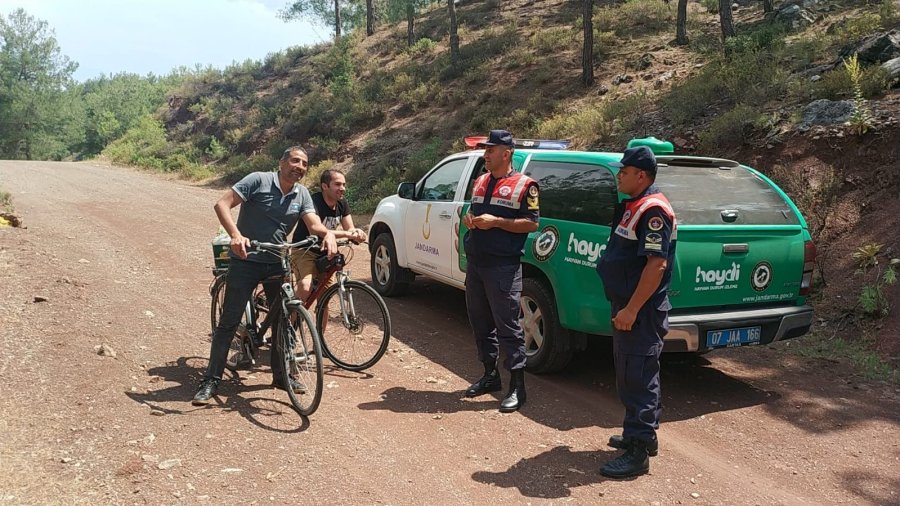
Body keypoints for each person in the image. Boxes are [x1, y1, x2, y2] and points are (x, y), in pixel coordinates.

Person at [193, 146, 337, 406]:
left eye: (304, 163)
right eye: (295, 160)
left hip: (276, 262)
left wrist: (326, 234)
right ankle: (211, 380)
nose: (300, 166)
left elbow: (313, 223)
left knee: (283, 318)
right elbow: (222, 204)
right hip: (246, 260)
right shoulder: (257, 180)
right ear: (281, 162)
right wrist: (236, 235)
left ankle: (281, 377)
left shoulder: (302, 193)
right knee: (229, 321)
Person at [595, 145, 677, 478]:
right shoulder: (636, 204)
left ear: (640, 175)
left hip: (640, 310)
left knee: (637, 376)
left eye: (624, 171)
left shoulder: (653, 210)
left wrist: (631, 308)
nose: (619, 176)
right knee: (632, 371)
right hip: (630, 305)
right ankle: (638, 434)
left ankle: (638, 452)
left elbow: (656, 266)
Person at [462, 129, 539, 413]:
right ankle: (490, 375)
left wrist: (496, 222)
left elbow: (531, 223)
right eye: (485, 149)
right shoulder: (481, 180)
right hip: (477, 263)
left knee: (508, 326)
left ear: (506, 153)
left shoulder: (526, 185)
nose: (486, 154)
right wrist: (472, 221)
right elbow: (474, 211)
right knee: (480, 322)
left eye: (490, 150)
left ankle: (518, 386)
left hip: (503, 266)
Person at [290, 168, 367, 301]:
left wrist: (358, 233)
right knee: (305, 287)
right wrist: (348, 234)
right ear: (324, 186)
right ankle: (287, 317)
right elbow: (315, 229)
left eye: (344, 184)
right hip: (304, 251)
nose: (342, 188)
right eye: (337, 184)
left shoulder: (342, 203)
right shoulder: (313, 202)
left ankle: (320, 321)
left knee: (325, 296)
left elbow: (350, 229)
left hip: (326, 253)